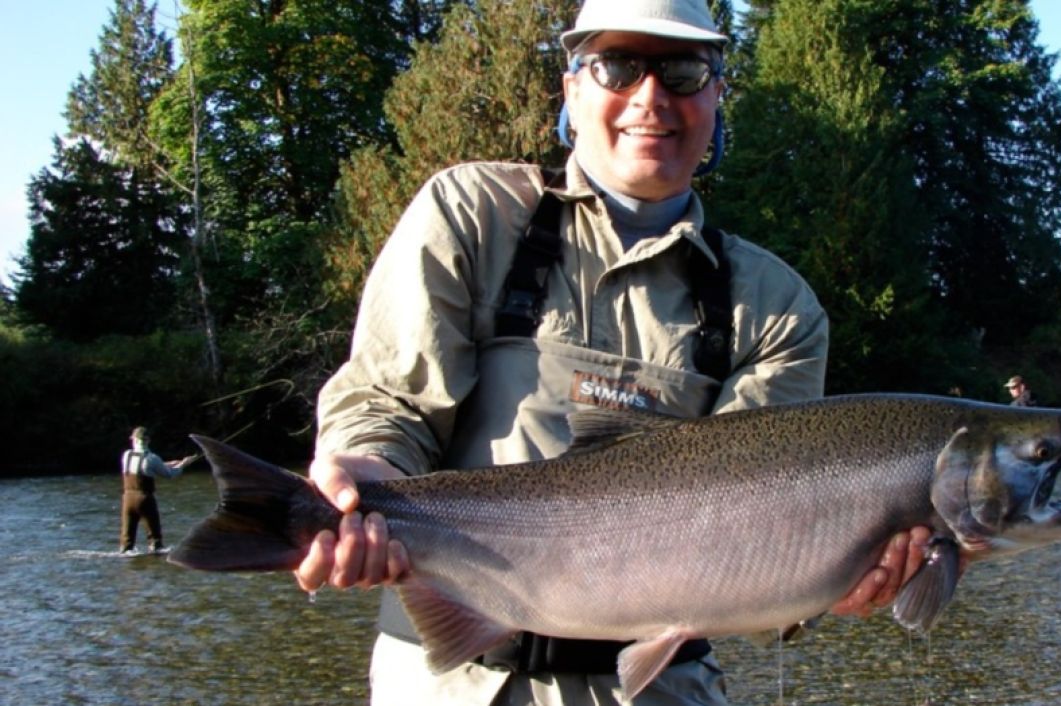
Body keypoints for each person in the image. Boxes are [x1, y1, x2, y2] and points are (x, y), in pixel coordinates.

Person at [296, 0, 931, 703]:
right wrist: (363, 478)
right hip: (451, 681)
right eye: (618, 67)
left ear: (718, 97)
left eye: (684, 71)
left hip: (658, 685)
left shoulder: (777, 306)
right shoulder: (474, 214)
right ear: (571, 87)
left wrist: (826, 577)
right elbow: (390, 401)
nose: (651, 97)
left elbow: (760, 528)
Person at [119, 426, 194, 554]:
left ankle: (126, 557)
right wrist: (184, 464)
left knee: (127, 542)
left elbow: (141, 468)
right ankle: (154, 560)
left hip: (127, 500)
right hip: (144, 499)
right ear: (148, 441)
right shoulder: (152, 458)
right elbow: (170, 474)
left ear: (134, 440)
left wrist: (167, 463)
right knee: (155, 541)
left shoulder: (126, 455)